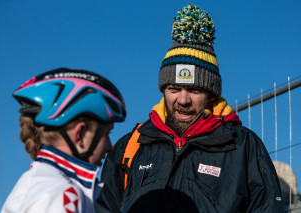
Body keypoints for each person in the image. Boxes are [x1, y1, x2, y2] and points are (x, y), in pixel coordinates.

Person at [95, 4, 284, 213]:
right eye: (174, 89)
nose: (183, 100)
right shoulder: (132, 146)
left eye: (194, 90)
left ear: (212, 94)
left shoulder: (243, 146)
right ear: (163, 90)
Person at [1, 67, 126, 213]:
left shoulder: (48, 185)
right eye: (106, 134)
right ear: (80, 134)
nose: (110, 146)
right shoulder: (59, 193)